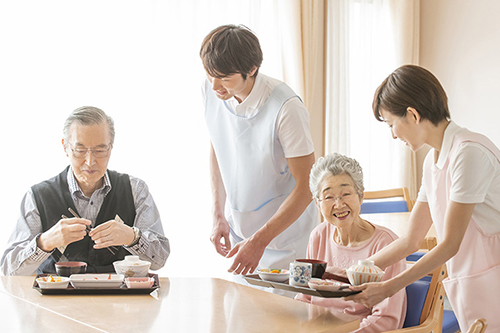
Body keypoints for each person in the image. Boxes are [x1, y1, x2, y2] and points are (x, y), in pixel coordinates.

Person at [344, 65, 500, 332]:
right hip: (472, 282)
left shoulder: (469, 152)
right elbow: (411, 239)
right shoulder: (433, 161)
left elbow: (450, 244)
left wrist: (387, 288)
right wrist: (358, 268)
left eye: (392, 123)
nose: (393, 134)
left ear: (413, 115)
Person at [200, 24, 318, 275]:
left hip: (286, 240)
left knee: (281, 312)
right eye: (210, 75)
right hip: (241, 233)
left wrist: (260, 240)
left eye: (224, 78)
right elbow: (219, 147)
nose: (214, 86)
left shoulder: (286, 108)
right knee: (238, 311)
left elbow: (307, 185)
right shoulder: (213, 91)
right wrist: (218, 214)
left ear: (251, 69)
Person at [1, 106, 170, 275]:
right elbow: (9, 271)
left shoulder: (135, 191)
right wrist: (44, 243)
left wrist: (132, 237)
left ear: (111, 147)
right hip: (55, 300)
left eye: (100, 150)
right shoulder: (37, 196)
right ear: (65, 147)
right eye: (80, 150)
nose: (90, 161)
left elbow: (160, 259)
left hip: (120, 299)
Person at [295, 153, 406, 332]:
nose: (338, 204)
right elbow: (305, 297)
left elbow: (387, 320)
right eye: (329, 197)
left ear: (361, 196)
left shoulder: (387, 244)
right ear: (317, 203)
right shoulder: (318, 236)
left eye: (346, 194)